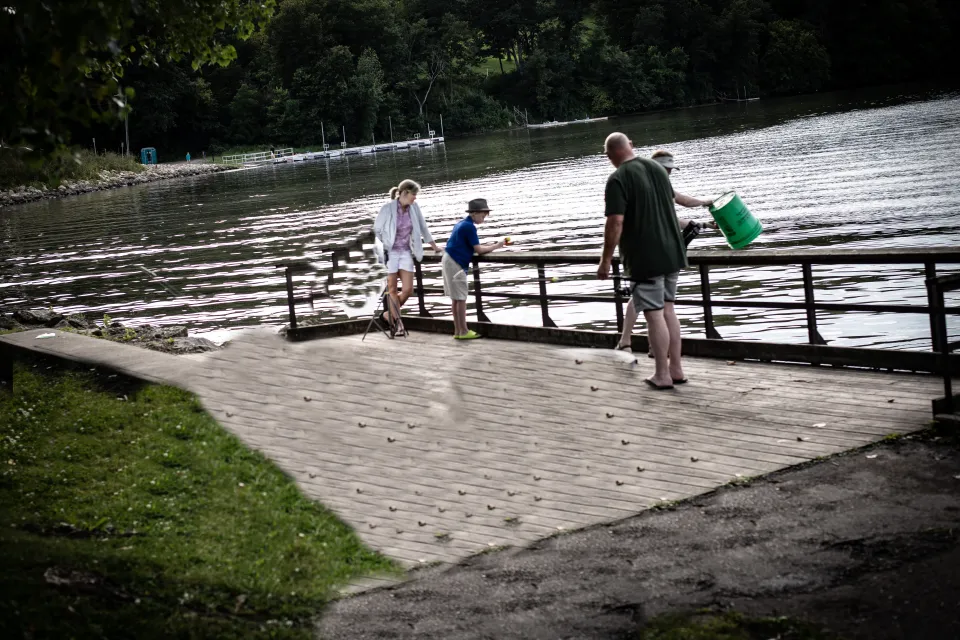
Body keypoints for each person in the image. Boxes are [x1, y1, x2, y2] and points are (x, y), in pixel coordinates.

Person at [598, 132, 687, 389]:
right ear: (631, 146)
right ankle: (676, 369)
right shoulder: (658, 169)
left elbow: (615, 222)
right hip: (673, 252)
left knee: (654, 314)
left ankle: (662, 375)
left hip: (645, 258)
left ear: (609, 156)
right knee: (669, 310)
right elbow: (671, 205)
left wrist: (605, 261)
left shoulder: (618, 178)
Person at [615, 149, 715, 353]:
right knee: (656, 304)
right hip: (652, 254)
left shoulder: (656, 184)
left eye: (670, 170)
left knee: (648, 302)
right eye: (666, 169)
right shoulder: (647, 187)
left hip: (658, 254)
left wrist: (705, 210)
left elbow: (681, 203)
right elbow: (670, 218)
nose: (669, 173)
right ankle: (639, 345)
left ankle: (639, 344)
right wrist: (703, 220)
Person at [374, 179, 442, 334]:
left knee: (408, 290)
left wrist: (434, 247)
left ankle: (388, 315)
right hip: (389, 253)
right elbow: (376, 231)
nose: (415, 198)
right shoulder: (387, 208)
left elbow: (423, 227)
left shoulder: (414, 208)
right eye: (414, 194)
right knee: (392, 289)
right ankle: (399, 324)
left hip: (405, 252)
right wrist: (381, 250)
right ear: (404, 193)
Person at [442, 198, 504, 340]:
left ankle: (458, 331)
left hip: (448, 259)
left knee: (456, 298)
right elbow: (479, 250)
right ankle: (463, 331)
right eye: (483, 215)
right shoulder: (469, 227)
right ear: (474, 213)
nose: (484, 218)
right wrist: (496, 246)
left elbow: (470, 246)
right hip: (455, 262)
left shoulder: (461, 224)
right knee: (461, 297)